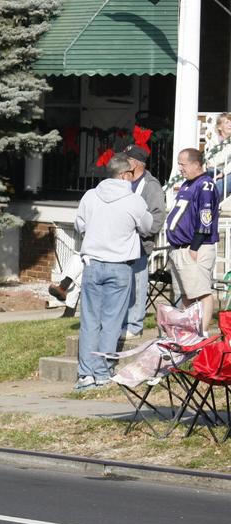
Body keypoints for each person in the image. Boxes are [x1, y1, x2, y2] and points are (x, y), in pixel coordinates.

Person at [74, 153, 152, 391]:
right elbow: (147, 227)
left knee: (89, 321)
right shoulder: (134, 200)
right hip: (119, 266)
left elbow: (79, 226)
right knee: (111, 322)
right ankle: (103, 371)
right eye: (130, 174)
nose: (132, 177)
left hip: (93, 263)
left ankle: (85, 374)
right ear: (123, 175)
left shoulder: (90, 196)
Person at [167, 147, 220, 334]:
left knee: (202, 292)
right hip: (179, 248)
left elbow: (206, 218)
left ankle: (202, 333)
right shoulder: (187, 183)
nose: (180, 168)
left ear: (196, 164)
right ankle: (188, 332)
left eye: (183, 164)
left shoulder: (205, 185)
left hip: (194, 247)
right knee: (187, 294)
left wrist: (194, 246)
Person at [120, 145, 166, 340]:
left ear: (136, 163)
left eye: (127, 159)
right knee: (123, 285)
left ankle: (134, 325)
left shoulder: (150, 185)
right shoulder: (122, 180)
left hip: (139, 243)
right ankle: (121, 323)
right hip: (120, 243)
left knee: (138, 284)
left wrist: (141, 232)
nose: (124, 162)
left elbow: (157, 217)